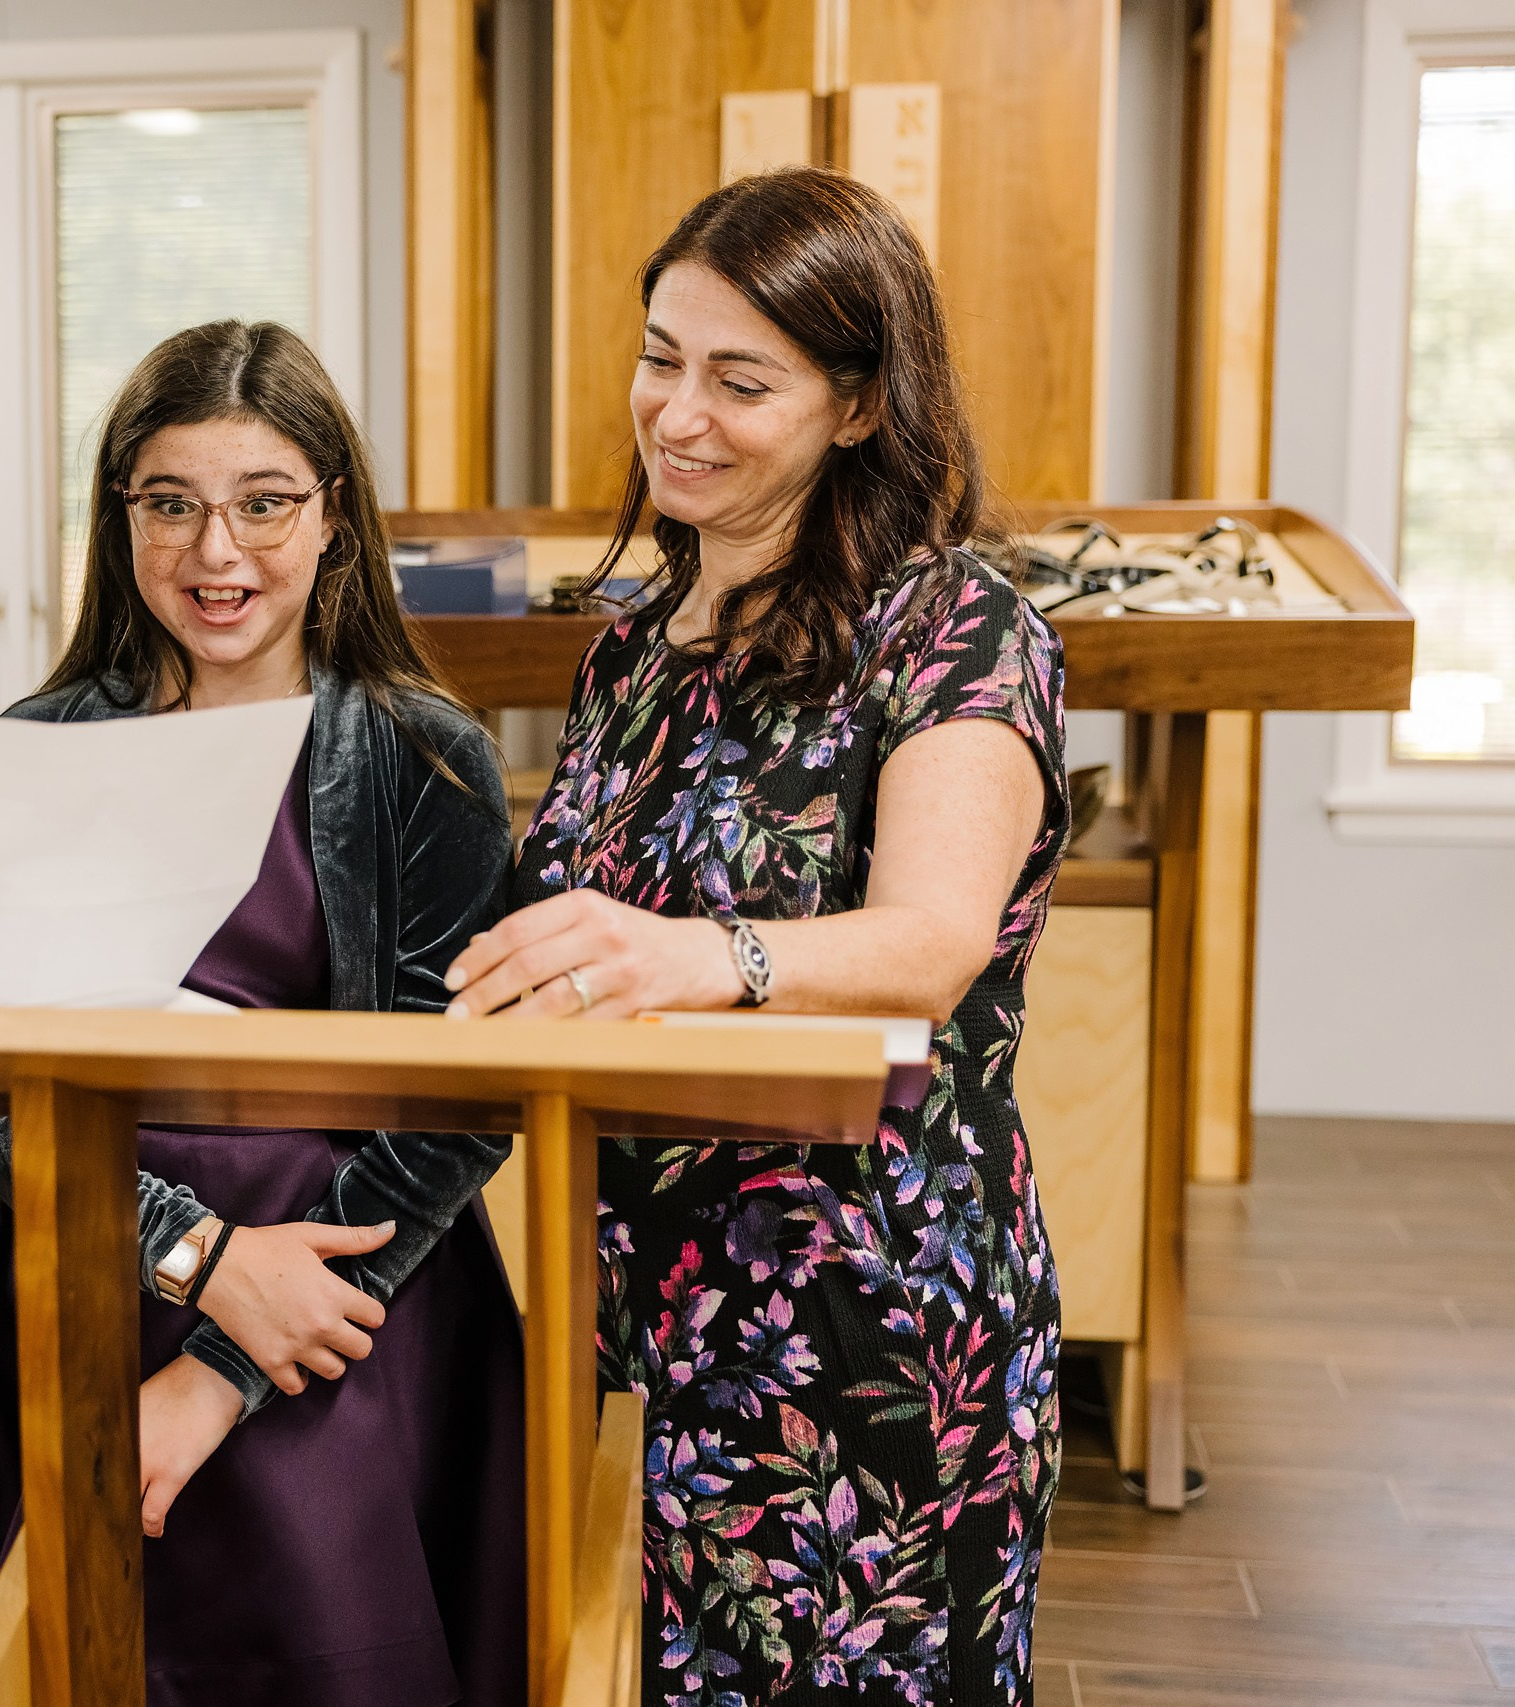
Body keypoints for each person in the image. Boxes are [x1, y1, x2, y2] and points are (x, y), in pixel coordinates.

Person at [444, 168, 1067, 1705]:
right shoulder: (631, 654)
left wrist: (700, 956)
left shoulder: (954, 626)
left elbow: (932, 941)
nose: (679, 414)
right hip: (630, 1320)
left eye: (743, 380)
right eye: (662, 357)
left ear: (858, 407)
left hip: (861, 1329)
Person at [0, 320, 526, 1707]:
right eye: (171, 505)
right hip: (89, 1260)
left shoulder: (426, 759)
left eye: (264, 504)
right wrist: (192, 1255)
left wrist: (236, 1348)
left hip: (348, 1301)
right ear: (122, 518)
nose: (215, 554)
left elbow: (462, 1099)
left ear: (335, 517)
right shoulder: (37, 750)